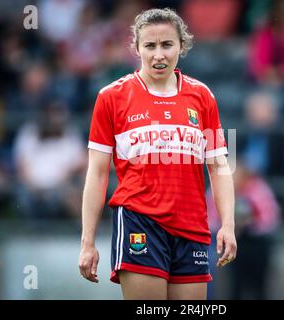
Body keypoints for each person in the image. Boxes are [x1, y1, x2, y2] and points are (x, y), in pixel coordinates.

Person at [78, 8, 236, 300]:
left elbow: (218, 166)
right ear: (137, 48)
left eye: (167, 45)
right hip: (140, 221)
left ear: (181, 46)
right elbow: (97, 173)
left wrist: (227, 224)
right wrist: (87, 241)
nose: (158, 55)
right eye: (150, 46)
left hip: (192, 226)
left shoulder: (202, 97)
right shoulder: (111, 97)